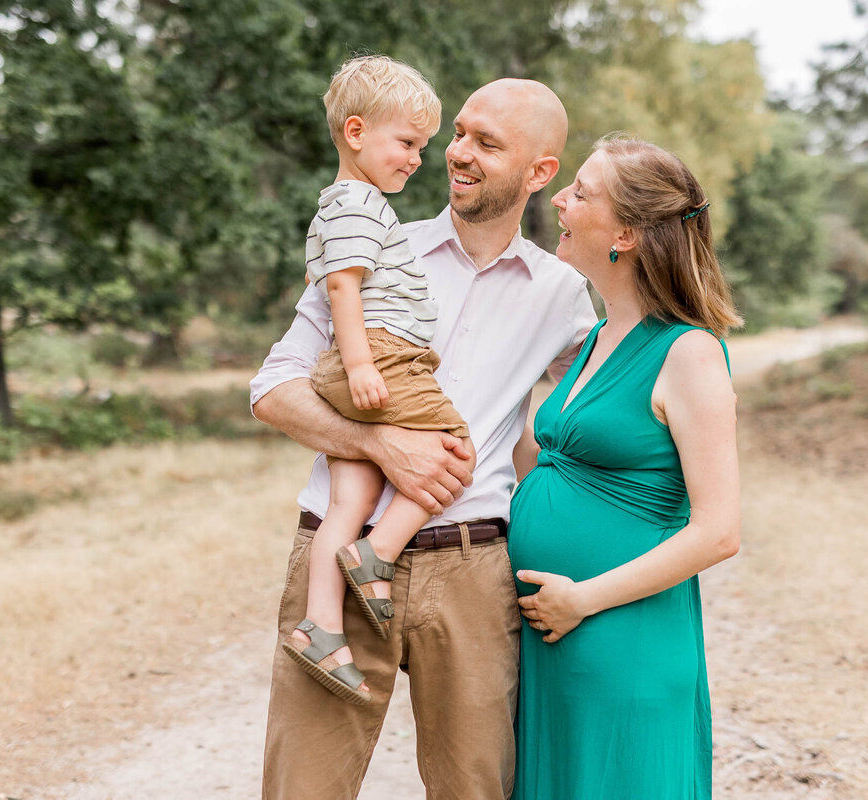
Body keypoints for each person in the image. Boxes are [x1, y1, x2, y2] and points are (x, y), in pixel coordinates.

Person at [250, 77, 597, 800]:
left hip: (473, 572)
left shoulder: (561, 294)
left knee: (476, 789)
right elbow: (272, 388)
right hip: (339, 558)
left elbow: (583, 420)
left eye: (486, 143)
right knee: (302, 790)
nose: (458, 154)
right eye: (458, 134)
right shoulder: (373, 245)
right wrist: (379, 446)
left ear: (540, 173)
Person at [507, 135, 743, 799]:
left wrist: (581, 599)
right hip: (557, 636)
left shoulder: (688, 353)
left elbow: (719, 530)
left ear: (627, 233)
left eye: (580, 191)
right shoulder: (595, 340)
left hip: (618, 634)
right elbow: (548, 467)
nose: (559, 198)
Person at [282, 55, 476, 707]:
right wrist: (364, 365)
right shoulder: (361, 204)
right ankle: (378, 554)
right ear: (357, 132)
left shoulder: (340, 203)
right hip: (384, 357)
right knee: (455, 448)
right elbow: (342, 286)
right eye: (408, 142)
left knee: (350, 500)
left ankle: (321, 627)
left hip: (362, 360)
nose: (418, 158)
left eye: (422, 145)